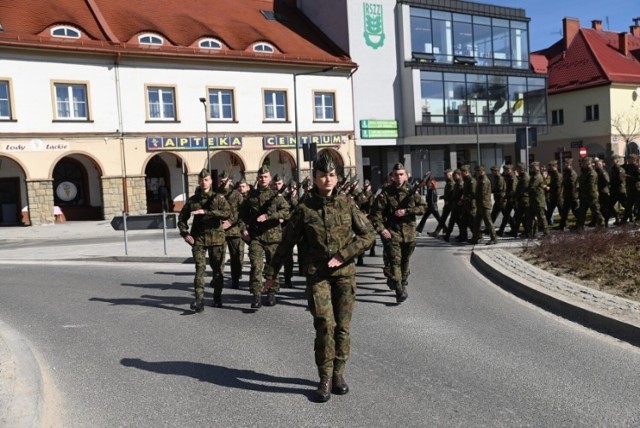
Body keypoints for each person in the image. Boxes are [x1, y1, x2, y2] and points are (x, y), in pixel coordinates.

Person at [261, 154, 375, 403]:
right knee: (325, 325)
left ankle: (339, 375)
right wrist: (270, 275)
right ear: (314, 177)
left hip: (344, 276)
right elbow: (285, 244)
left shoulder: (347, 203)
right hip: (318, 276)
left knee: (343, 328)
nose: (328, 179)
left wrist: (345, 254)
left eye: (332, 175)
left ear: (337, 177)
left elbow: (368, 235)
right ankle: (324, 378)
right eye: (323, 175)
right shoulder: (304, 209)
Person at [371, 163, 427, 303]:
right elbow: (375, 214)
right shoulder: (385, 193)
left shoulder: (412, 192)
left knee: (405, 260)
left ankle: (402, 281)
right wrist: (382, 229)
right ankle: (399, 290)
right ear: (392, 176)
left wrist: (407, 211)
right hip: (393, 232)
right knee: (395, 262)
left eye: (401, 174)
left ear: (406, 175)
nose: (399, 177)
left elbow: (423, 208)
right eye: (396, 174)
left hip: (409, 233)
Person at [178, 169, 231, 312]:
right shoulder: (193, 200)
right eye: (201, 180)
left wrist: (207, 212)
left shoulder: (218, 198)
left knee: (217, 270)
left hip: (216, 239)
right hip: (199, 239)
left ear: (211, 181)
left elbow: (227, 213)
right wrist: (184, 233)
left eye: (206, 179)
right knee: (199, 269)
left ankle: (217, 297)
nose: (203, 182)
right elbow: (182, 218)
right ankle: (199, 300)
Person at [239, 166, 290, 308]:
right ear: (257, 178)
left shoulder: (276, 196)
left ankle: (271, 292)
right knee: (256, 265)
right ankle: (256, 295)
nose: (263, 179)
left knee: (272, 267)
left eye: (266, 177)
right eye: (260, 177)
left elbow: (286, 212)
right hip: (257, 237)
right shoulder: (251, 196)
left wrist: (269, 216)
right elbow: (241, 216)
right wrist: (244, 230)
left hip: (273, 237)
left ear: (270, 178)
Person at [220, 173, 249, 289]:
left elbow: (242, 211)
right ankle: (219, 279)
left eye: (225, 181)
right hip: (220, 230)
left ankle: (235, 279)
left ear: (230, 181)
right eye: (221, 181)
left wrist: (231, 221)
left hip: (234, 231)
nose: (223, 183)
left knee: (236, 257)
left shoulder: (237, 194)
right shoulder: (217, 194)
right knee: (219, 257)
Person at [272, 174, 298, 287]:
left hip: (287, 229)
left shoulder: (288, 197)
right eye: (275, 184)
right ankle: (273, 278)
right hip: (273, 229)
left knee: (288, 257)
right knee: (273, 255)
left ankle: (288, 278)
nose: (277, 186)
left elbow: (296, 210)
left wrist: (291, 197)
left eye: (279, 184)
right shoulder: (271, 196)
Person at [471, 165, 497, 244]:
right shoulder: (480, 179)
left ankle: (494, 238)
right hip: (480, 205)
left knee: (488, 222)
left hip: (485, 205)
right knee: (477, 223)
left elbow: (482, 194)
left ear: (482, 171)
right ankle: (475, 238)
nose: (477, 173)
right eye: (477, 172)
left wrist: (472, 195)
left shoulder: (484, 181)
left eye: (478, 171)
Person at [575, 157, 602, 230]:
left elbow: (590, 185)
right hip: (584, 196)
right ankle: (580, 226)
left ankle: (601, 225)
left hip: (591, 195)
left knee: (596, 211)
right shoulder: (584, 172)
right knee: (582, 212)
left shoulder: (592, 173)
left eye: (584, 163)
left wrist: (580, 189)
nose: (582, 164)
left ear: (588, 163)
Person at [355, 179, 376, 265]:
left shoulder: (373, 195)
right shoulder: (360, 195)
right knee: (360, 237)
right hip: (362, 217)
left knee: (372, 235)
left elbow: (375, 207)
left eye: (367, 186)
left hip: (370, 218)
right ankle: (360, 258)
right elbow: (357, 205)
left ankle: (372, 249)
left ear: (370, 186)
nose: (366, 187)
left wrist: (369, 213)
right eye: (365, 186)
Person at [428, 169, 453, 238]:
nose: (445, 176)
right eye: (445, 175)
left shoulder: (452, 183)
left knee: (456, 220)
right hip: (448, 204)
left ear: (451, 175)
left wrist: (445, 197)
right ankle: (437, 232)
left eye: (446, 175)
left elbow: (452, 194)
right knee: (443, 219)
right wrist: (444, 197)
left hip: (451, 204)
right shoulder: (448, 182)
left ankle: (466, 233)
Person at [528, 161, 549, 236]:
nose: (531, 169)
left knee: (541, 217)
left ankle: (546, 233)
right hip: (533, 200)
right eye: (531, 168)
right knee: (531, 217)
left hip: (538, 200)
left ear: (537, 167)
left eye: (533, 167)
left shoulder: (538, 176)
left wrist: (526, 190)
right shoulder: (533, 176)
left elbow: (532, 187)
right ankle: (533, 232)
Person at [557, 158, 579, 231]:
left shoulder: (572, 173)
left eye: (566, 164)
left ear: (570, 165)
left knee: (575, 210)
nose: (565, 165)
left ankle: (580, 223)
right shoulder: (566, 172)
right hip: (567, 195)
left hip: (572, 195)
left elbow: (572, 185)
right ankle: (562, 225)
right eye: (564, 164)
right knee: (564, 211)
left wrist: (573, 195)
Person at [609, 155, 627, 224]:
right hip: (614, 191)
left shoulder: (620, 170)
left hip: (620, 190)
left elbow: (620, 180)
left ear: (617, 161)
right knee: (610, 205)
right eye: (612, 160)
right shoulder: (612, 169)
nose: (612, 161)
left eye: (613, 160)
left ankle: (631, 218)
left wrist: (612, 182)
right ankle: (617, 217)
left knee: (626, 205)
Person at [545, 160, 562, 227]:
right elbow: (553, 184)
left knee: (561, 211)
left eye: (551, 167)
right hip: (553, 196)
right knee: (549, 211)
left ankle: (564, 224)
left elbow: (557, 186)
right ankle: (545, 225)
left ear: (555, 166)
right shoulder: (553, 174)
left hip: (558, 196)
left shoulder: (557, 175)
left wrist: (550, 188)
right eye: (550, 167)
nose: (550, 168)